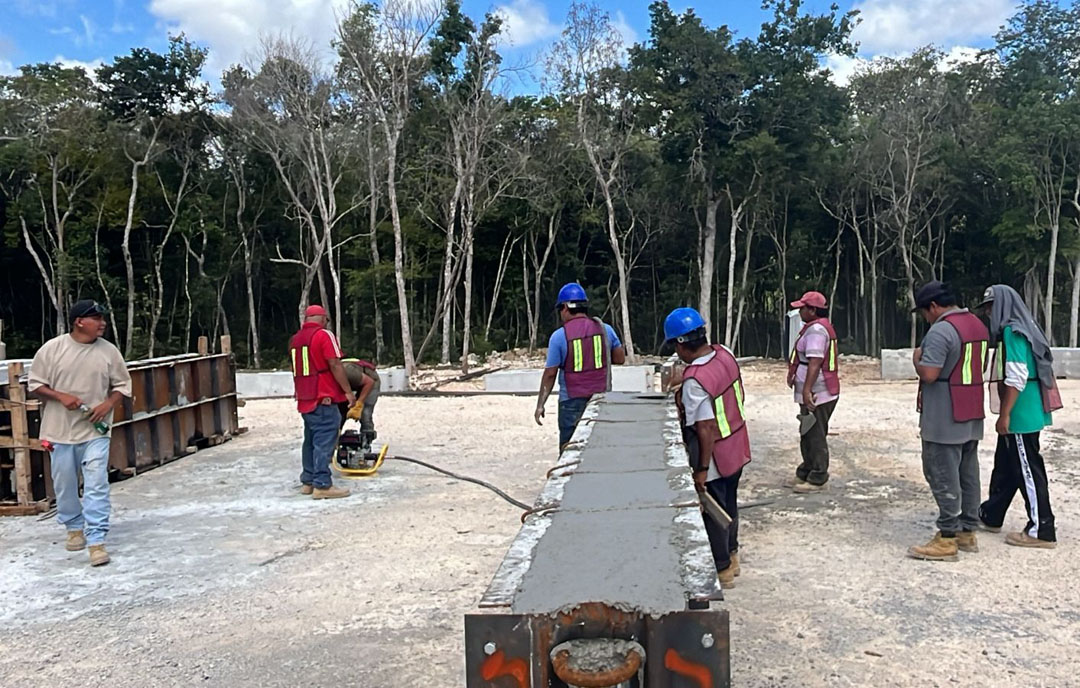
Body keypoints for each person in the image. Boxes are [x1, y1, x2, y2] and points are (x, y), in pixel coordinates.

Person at [28, 300, 132, 567]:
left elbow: (122, 385)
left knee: (97, 482)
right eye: (97, 318)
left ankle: (97, 540)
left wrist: (108, 404)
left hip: (95, 431)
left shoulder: (109, 352)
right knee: (64, 483)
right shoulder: (52, 350)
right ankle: (74, 526)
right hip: (59, 430)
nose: (102, 323)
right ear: (79, 322)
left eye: (102, 318)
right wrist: (60, 396)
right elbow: (36, 384)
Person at [666, 307, 751, 589]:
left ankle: (722, 567)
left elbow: (705, 428)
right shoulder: (725, 354)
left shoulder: (695, 381)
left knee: (712, 509)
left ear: (680, 343)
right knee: (729, 503)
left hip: (715, 453)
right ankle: (733, 553)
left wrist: (701, 469)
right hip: (737, 442)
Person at [908, 281, 988, 561]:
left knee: (941, 471)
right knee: (968, 472)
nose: (925, 318)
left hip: (944, 413)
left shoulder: (942, 330)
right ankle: (967, 530)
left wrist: (916, 360)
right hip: (971, 409)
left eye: (924, 312)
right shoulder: (977, 325)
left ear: (933, 306)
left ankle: (947, 538)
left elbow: (929, 373)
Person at [977, 285, 1062, 549]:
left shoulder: (1013, 332)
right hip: (1026, 409)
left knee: (1028, 468)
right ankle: (992, 514)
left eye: (991, 307)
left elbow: (1016, 377)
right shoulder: (1024, 328)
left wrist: (1005, 415)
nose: (989, 313)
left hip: (1020, 413)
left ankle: (1042, 529)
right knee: (1007, 464)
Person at [534, 282, 626, 450]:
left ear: (565, 308)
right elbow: (620, 359)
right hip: (601, 398)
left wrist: (540, 404)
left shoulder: (559, 336)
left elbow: (550, 374)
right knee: (599, 449)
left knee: (570, 450)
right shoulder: (605, 329)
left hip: (571, 402)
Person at [288, 305, 355, 499]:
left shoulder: (295, 340)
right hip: (323, 395)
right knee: (325, 439)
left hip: (304, 396)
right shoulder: (324, 335)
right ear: (323, 318)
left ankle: (308, 481)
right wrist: (348, 392)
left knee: (310, 439)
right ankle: (322, 485)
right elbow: (335, 363)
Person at [786, 291, 840, 493]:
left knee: (815, 434)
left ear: (813, 310)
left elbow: (815, 363)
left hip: (818, 393)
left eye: (803, 308)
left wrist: (807, 390)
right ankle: (806, 470)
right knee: (807, 432)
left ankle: (818, 477)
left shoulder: (816, 331)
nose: (800, 311)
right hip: (815, 391)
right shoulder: (813, 328)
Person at [339, 358, 381, 447]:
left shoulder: (347, 371)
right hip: (352, 383)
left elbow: (369, 383)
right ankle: (334, 440)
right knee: (340, 412)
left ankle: (367, 439)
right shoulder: (328, 377)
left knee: (365, 412)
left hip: (370, 382)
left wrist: (359, 404)